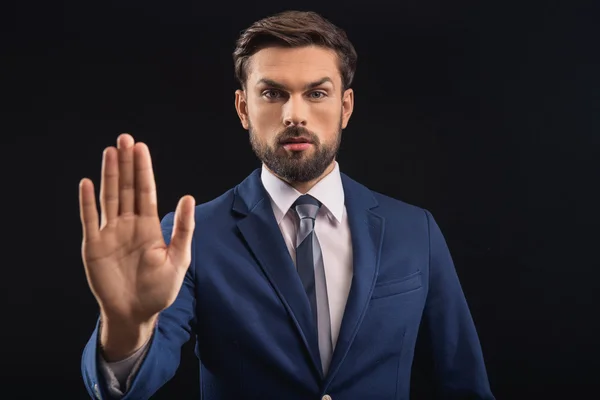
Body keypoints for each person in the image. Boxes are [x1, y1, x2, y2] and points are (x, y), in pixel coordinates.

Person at [79, 10, 494, 400]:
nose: (295, 114)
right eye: (273, 93)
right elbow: (137, 382)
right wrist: (125, 327)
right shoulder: (193, 236)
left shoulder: (414, 230)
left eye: (316, 92)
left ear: (345, 107)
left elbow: (463, 383)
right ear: (244, 108)